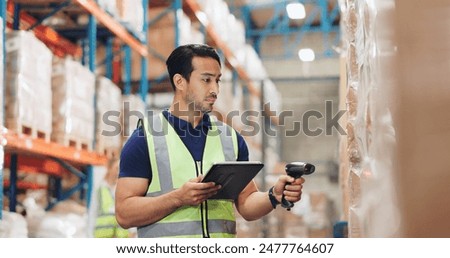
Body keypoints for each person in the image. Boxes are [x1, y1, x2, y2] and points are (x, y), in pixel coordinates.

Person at [115, 44, 305, 238]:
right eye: (206, 80)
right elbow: (124, 214)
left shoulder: (231, 139)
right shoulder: (145, 138)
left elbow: (246, 202)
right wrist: (178, 198)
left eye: (217, 80)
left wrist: (274, 196)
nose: (215, 90)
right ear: (180, 82)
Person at [94, 159, 129, 238]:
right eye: (117, 168)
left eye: (121, 169)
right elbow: (92, 213)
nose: (119, 172)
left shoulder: (124, 190)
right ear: (109, 168)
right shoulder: (100, 189)